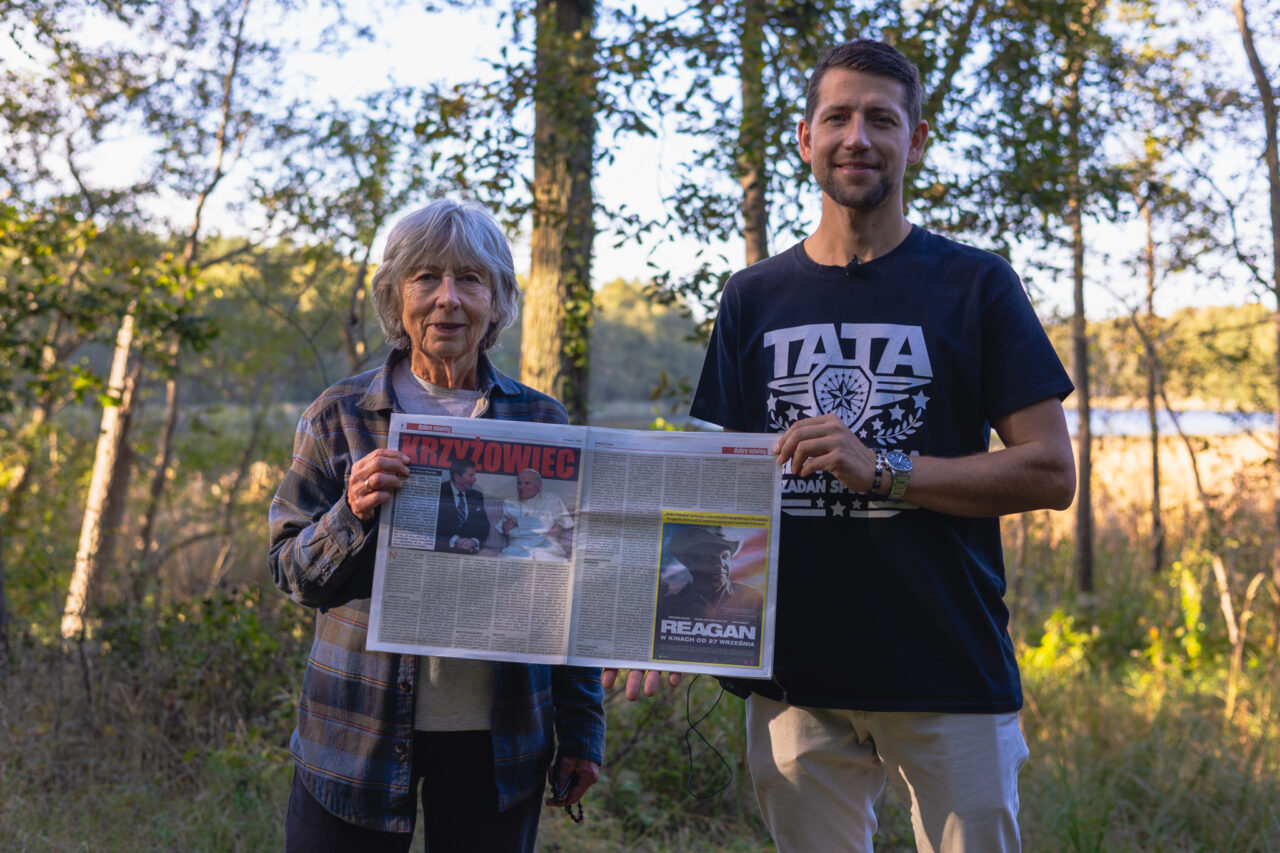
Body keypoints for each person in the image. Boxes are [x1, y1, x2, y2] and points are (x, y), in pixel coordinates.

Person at [606, 39, 1076, 853]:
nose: (857, 136)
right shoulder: (753, 295)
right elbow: (718, 476)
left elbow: (1050, 469)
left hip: (947, 667)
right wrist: (673, 622)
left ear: (915, 141)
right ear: (805, 137)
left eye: (881, 119)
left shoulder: (975, 284)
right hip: (795, 679)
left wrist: (884, 469)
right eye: (838, 117)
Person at [269, 198, 605, 853]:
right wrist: (350, 511)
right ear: (396, 295)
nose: (448, 298)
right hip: (352, 731)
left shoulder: (541, 422)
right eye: (426, 277)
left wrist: (583, 731)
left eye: (470, 279)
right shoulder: (338, 414)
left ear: (498, 298)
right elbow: (290, 572)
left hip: (500, 739)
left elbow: (573, 591)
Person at [655, 525, 763, 625]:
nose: (720, 564)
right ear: (691, 563)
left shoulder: (754, 599)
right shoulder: (671, 606)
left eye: (725, 557)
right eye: (710, 557)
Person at [499, 468, 574, 560]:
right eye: (519, 483)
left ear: (539, 485)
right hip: (518, 546)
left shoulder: (552, 499)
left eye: (527, 483)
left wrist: (516, 522)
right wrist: (544, 528)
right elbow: (509, 531)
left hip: (547, 547)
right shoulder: (509, 502)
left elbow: (563, 524)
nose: (522, 487)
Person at [437, 457, 490, 554]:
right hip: (444, 548)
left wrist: (474, 541)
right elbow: (432, 525)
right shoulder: (439, 491)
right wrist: (456, 539)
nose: (475, 479)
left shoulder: (477, 496)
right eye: (471, 475)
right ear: (457, 477)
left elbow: (484, 525)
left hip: (469, 549)